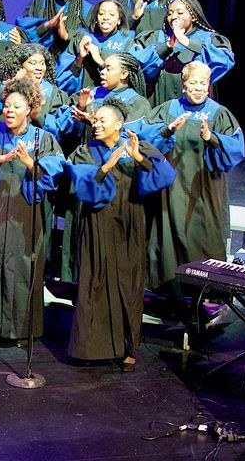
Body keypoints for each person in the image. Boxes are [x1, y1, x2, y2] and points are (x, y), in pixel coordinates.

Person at [65, 98, 175, 370]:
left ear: (119, 124)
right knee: (95, 282)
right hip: (97, 223)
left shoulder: (137, 146)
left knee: (129, 284)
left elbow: (165, 176)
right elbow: (79, 185)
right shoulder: (85, 151)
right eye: (95, 120)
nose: (97, 124)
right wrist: (104, 168)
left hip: (130, 222)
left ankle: (128, 348)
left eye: (103, 120)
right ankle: (90, 348)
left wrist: (138, 158)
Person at [0, 77, 66, 345]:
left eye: (16, 106)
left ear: (30, 109)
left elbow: (55, 172)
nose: (9, 110)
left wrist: (31, 163)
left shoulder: (43, 138)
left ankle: (19, 329)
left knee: (20, 267)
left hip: (24, 214)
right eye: (7, 105)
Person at [141, 62, 244, 293]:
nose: (198, 88)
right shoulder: (168, 109)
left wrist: (211, 137)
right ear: (183, 85)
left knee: (203, 232)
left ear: (209, 85)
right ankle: (170, 287)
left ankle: (207, 290)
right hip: (172, 184)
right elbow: (145, 136)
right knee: (169, 231)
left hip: (204, 183)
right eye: (193, 83)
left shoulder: (218, 113)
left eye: (203, 83)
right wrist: (168, 129)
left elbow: (235, 148)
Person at [134, 0, 234, 106]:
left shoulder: (207, 39)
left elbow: (223, 62)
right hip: (159, 104)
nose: (173, 17)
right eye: (170, 13)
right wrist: (167, 45)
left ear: (194, 16)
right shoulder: (157, 37)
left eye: (180, 13)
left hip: (195, 105)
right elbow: (142, 68)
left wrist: (187, 42)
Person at [56, 0, 138, 94]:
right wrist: (80, 58)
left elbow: (128, 80)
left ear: (119, 20)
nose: (105, 17)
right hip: (83, 97)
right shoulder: (82, 37)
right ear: (95, 18)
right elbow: (63, 81)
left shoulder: (126, 43)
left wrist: (99, 61)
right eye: (101, 13)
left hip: (112, 100)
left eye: (111, 14)